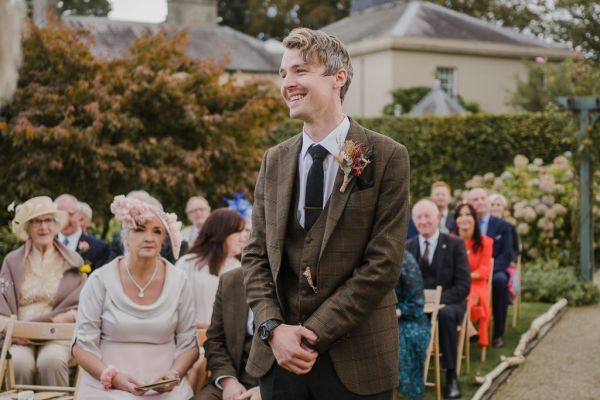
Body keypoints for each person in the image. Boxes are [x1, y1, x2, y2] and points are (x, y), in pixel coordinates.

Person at [243, 28, 409, 399]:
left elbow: (383, 263)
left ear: (339, 77)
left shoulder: (386, 156)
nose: (288, 83)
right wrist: (274, 329)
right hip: (280, 361)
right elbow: (254, 256)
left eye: (300, 71)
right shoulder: (274, 160)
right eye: (283, 73)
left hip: (358, 361)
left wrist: (311, 333)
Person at [72, 195, 198, 399]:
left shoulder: (179, 281)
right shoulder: (99, 280)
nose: (149, 238)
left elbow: (188, 344)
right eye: (140, 230)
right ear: (125, 235)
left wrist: (174, 374)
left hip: (165, 390)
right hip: (107, 388)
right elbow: (82, 346)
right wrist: (112, 377)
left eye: (157, 231)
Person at [0, 196, 86, 387]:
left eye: (48, 220)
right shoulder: (11, 261)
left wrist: (68, 317)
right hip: (20, 336)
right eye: (37, 221)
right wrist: (11, 329)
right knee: (20, 363)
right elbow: (1, 305)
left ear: (56, 226)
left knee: (51, 361)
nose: (43, 227)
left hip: (56, 334)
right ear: (28, 228)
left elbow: (84, 306)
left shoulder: (74, 261)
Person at [405, 199, 470, 399]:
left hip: (449, 303)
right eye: (419, 217)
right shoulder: (407, 247)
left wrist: (438, 301)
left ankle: (451, 376)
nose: (423, 221)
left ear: (438, 218)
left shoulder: (455, 244)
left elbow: (463, 285)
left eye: (427, 216)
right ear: (413, 221)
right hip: (417, 305)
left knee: (446, 316)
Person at [193, 268, 260, 400]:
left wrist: (269, 390)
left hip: (280, 384)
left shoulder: (297, 280)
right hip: (232, 377)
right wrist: (228, 380)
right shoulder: (231, 280)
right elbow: (215, 340)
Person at [176, 208, 247, 329]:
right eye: (237, 232)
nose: (244, 238)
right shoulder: (187, 264)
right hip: (190, 336)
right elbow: (175, 305)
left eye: (244, 232)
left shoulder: (240, 268)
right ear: (220, 233)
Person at [467, 188, 514, 348]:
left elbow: (507, 254)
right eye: (475, 199)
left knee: (500, 283)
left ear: (488, 201)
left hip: (495, 271)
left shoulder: (504, 226)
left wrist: (489, 271)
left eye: (482, 198)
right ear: (469, 204)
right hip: (470, 272)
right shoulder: (463, 223)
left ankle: (498, 333)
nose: (479, 202)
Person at [453, 203, 493, 348]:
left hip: (476, 285)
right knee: (454, 295)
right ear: (456, 220)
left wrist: (464, 276)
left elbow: (484, 271)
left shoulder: (485, 242)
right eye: (460, 215)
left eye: (468, 214)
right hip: (454, 284)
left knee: (465, 296)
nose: (464, 218)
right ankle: (468, 328)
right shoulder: (450, 240)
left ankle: (464, 331)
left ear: (475, 218)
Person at [395, 251, 430, 400]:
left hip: (412, 320)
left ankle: (408, 390)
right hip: (386, 319)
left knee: (399, 340)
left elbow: (417, 304)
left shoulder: (405, 260)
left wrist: (397, 311)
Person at [55, 194, 111, 273]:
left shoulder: (100, 248)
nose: (65, 220)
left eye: (70, 214)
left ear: (79, 215)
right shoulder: (45, 244)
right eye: (59, 215)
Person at [489, 193, 520, 262]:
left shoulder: (509, 227)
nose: (495, 208)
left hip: (502, 265)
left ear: (504, 209)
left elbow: (515, 249)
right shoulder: (482, 225)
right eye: (492, 205)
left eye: (498, 205)